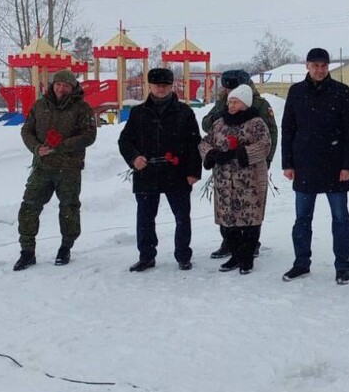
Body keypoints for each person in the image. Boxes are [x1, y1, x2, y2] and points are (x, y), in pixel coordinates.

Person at [280, 47, 349, 284]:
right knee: (302, 219)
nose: (319, 70)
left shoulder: (341, 92)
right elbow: (287, 129)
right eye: (315, 65)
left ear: (328, 67)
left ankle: (342, 266)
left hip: (336, 167)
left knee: (340, 219)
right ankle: (301, 263)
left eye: (324, 66)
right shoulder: (296, 92)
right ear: (307, 66)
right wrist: (288, 163)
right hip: (304, 166)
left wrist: (348, 165)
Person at [117, 67, 202, 272]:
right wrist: (134, 158)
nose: (161, 89)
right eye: (157, 85)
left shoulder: (184, 112)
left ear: (171, 87)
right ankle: (146, 256)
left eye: (165, 85)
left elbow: (194, 144)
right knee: (145, 218)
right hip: (147, 173)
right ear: (150, 86)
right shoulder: (138, 112)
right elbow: (125, 140)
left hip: (178, 172)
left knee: (182, 217)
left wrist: (193, 172)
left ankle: (183, 255)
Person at [14, 69, 97, 270]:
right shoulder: (40, 105)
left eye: (66, 85)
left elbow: (89, 136)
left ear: (72, 87)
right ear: (52, 85)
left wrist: (61, 145)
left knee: (69, 208)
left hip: (69, 169)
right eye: (58, 84)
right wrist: (36, 148)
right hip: (43, 167)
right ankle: (27, 251)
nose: (61, 88)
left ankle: (65, 247)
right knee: (29, 206)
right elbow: (26, 130)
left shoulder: (82, 108)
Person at [202, 69, 278, 259]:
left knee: (251, 205)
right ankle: (229, 243)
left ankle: (252, 244)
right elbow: (207, 126)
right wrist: (221, 113)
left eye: (231, 89)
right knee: (226, 204)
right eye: (226, 89)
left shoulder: (259, 104)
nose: (228, 93)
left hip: (251, 166)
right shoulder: (224, 102)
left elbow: (270, 134)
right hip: (225, 169)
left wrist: (265, 160)